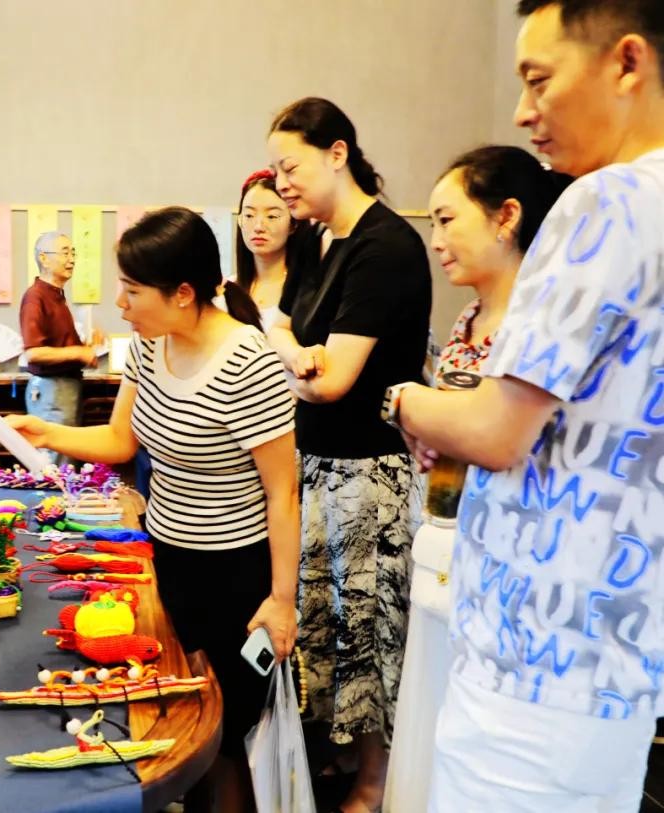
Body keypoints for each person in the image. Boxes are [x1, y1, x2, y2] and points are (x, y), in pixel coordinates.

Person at [392, 2, 664, 809]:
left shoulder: (604, 201)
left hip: (534, 660)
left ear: (626, 62)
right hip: (617, 657)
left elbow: (496, 429)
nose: (522, 112)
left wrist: (407, 401)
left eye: (539, 80)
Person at [8, 207, 299, 812]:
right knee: (177, 711)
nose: (120, 303)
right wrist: (45, 432)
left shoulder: (250, 362)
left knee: (228, 732)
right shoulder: (147, 345)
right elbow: (121, 441)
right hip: (166, 558)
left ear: (183, 293)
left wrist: (281, 599)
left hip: (234, 572)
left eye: (133, 290)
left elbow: (283, 492)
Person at [382, 145, 569, 813]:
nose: (435, 240)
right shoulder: (467, 318)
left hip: (507, 556)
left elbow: (493, 435)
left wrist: (411, 405)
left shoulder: (537, 324)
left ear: (505, 217)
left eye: (446, 220)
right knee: (429, 714)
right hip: (441, 532)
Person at [265, 97, 431, 813]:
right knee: (327, 630)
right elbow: (288, 341)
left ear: (338, 153)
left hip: (371, 477)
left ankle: (377, 781)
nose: (281, 185)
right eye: (275, 171)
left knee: (370, 635)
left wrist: (290, 351)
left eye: (290, 167)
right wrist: (292, 353)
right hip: (319, 464)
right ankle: (344, 757)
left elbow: (329, 382)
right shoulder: (318, 241)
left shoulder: (384, 245)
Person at [19, 231, 100, 453]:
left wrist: (86, 348)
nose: (72, 259)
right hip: (52, 391)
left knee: (64, 461)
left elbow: (59, 347)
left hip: (63, 389)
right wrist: (78, 352)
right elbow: (33, 353)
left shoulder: (56, 296)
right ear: (43, 258)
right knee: (55, 461)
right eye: (65, 253)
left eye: (73, 253)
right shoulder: (36, 296)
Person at [234, 169, 294, 331]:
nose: (259, 226)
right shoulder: (226, 290)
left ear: (293, 224)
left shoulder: (303, 289)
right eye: (249, 215)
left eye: (272, 216)